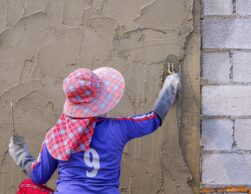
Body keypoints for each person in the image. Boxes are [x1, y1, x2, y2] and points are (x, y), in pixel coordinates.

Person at [8, 66, 181, 194]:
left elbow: (38, 176)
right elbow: (153, 119)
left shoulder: (57, 134)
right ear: (103, 102)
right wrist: (170, 85)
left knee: (27, 188)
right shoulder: (119, 128)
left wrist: (21, 154)